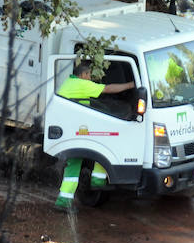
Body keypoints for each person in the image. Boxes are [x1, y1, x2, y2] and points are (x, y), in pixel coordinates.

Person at [54, 60, 135, 211]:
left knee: (77, 161)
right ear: (84, 74)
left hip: (71, 127)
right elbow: (108, 89)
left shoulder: (69, 83)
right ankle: (89, 185)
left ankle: (68, 196)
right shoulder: (81, 84)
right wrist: (131, 85)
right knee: (103, 145)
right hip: (75, 130)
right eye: (90, 75)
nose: (90, 78)